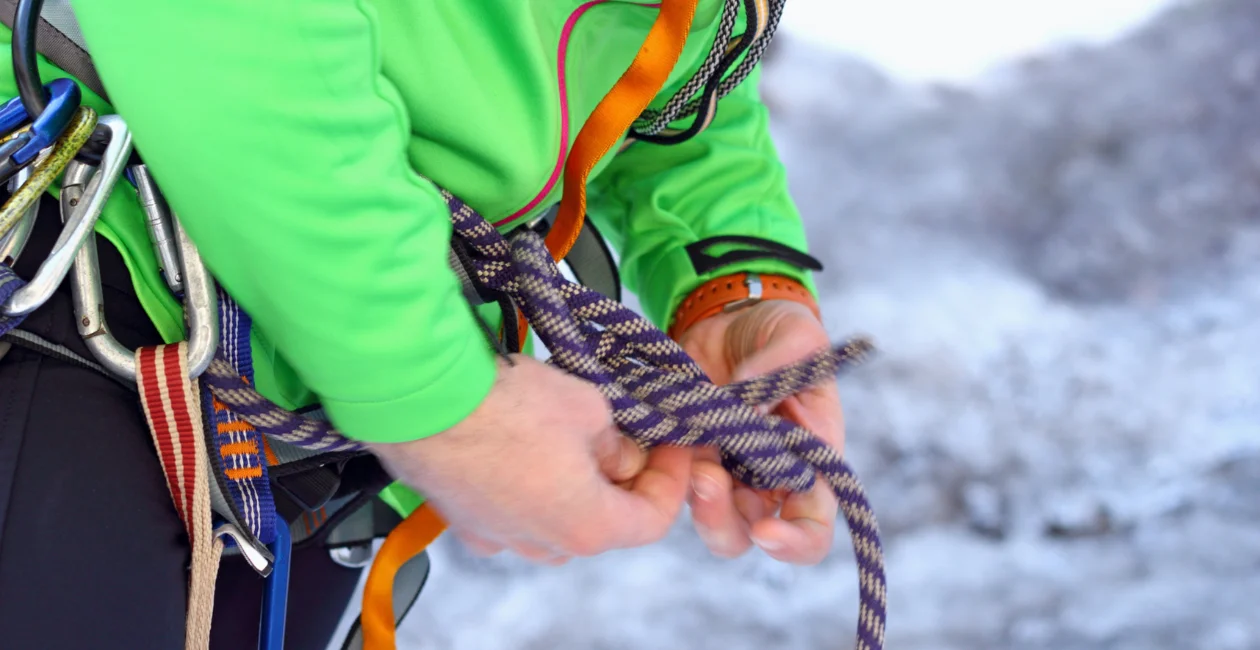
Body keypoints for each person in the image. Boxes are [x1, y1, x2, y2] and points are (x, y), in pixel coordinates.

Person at [0, 0, 848, 647]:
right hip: (79, 278)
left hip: (316, 383)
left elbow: (670, 44)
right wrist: (429, 390)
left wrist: (728, 275)